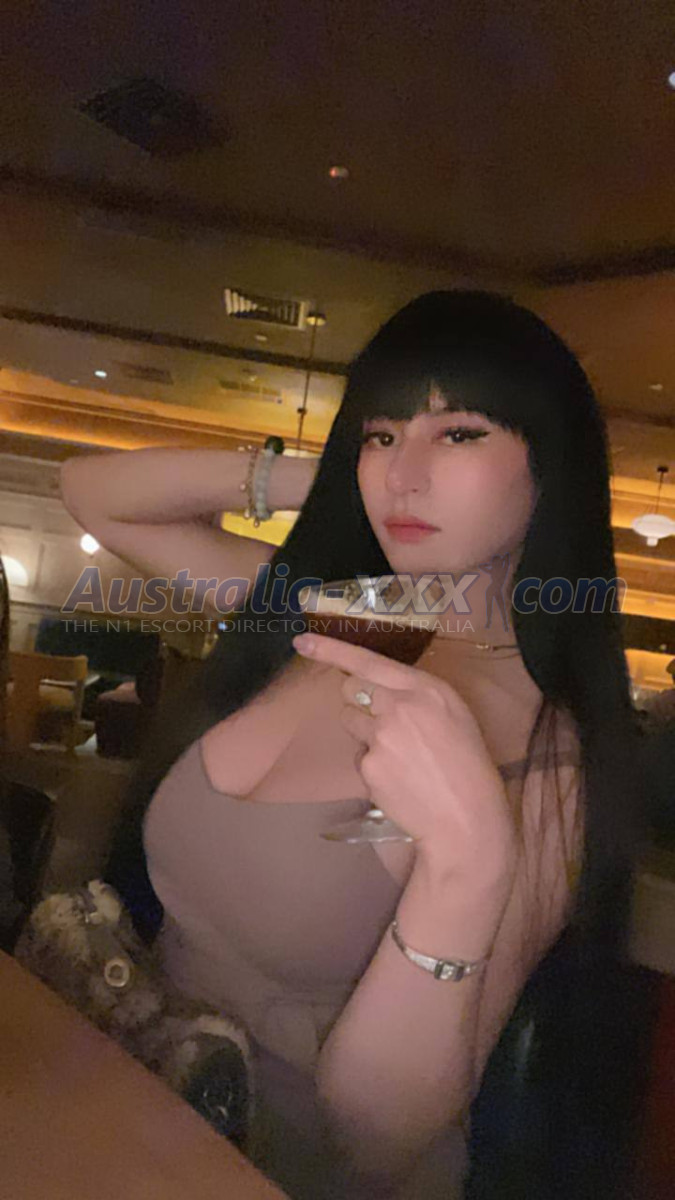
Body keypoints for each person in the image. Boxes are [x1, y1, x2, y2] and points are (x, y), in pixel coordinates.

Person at [60, 291, 647, 1199]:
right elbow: (92, 492)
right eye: (381, 434)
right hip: (121, 1117)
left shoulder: (545, 758)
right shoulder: (339, 618)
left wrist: (467, 866)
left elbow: (373, 1143)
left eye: (458, 433)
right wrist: (332, 475)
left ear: (550, 466)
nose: (403, 475)